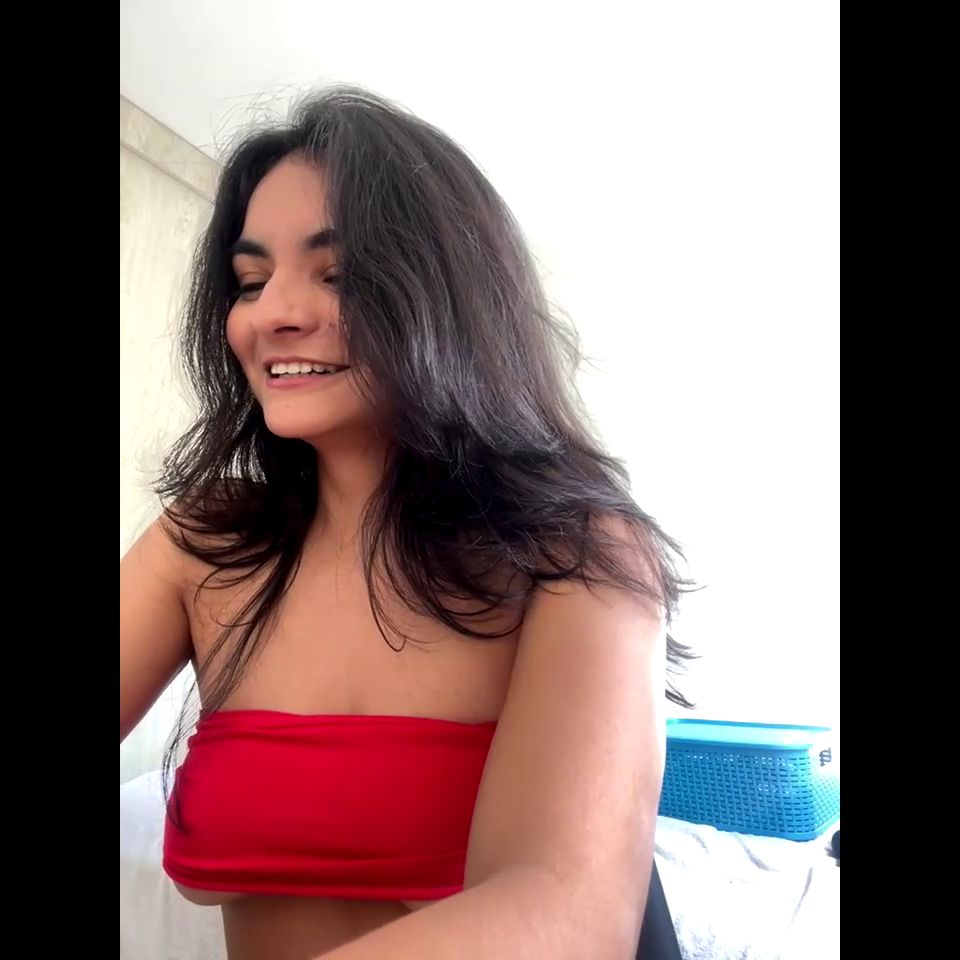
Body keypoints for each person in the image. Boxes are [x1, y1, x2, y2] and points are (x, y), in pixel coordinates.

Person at [119, 86, 691, 960]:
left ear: (448, 300)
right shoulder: (203, 543)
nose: (273, 313)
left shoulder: (581, 551)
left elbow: (565, 915)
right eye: (251, 281)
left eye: (338, 274)